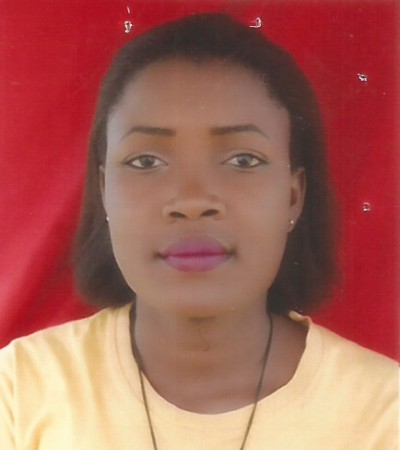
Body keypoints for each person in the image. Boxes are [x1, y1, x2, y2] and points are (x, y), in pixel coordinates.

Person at [0, 13, 397, 450]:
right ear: (104, 191)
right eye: (146, 161)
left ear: (293, 196)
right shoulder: (19, 390)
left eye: (243, 160)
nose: (192, 200)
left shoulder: (383, 412)